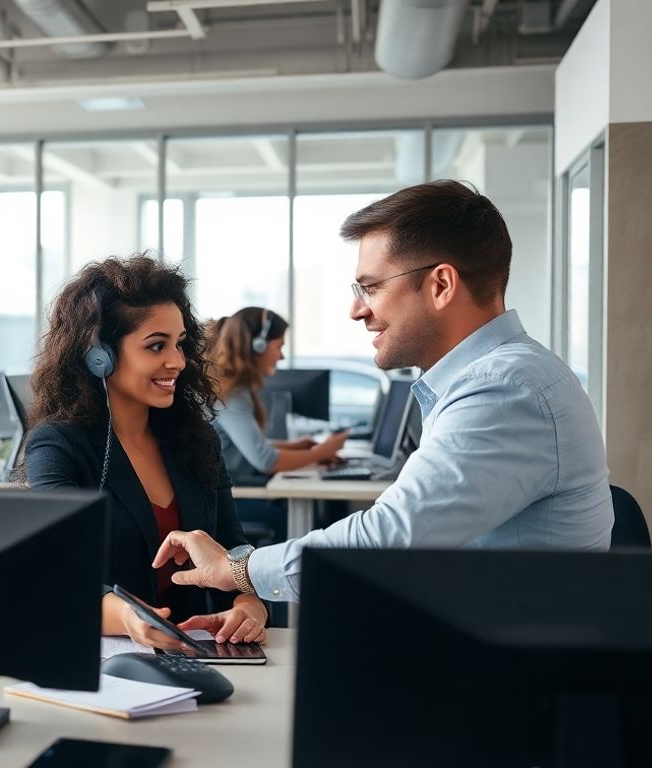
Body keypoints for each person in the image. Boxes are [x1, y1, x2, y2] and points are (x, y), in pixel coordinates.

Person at [152, 180, 614, 604]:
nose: (357, 310)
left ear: (441, 285)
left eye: (370, 287)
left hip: (501, 658)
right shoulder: (499, 378)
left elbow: (391, 537)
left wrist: (237, 570)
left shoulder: (504, 390)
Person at [24, 256, 267, 648]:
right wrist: (126, 616)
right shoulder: (58, 446)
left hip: (198, 650)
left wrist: (249, 604)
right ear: (99, 357)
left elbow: (232, 545)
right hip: (109, 657)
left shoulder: (196, 438)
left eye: (180, 344)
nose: (177, 361)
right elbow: (58, 573)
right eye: (156, 346)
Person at [207, 306, 348, 485]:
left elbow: (249, 446)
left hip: (238, 487)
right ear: (258, 346)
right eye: (279, 346)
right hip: (236, 495)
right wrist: (323, 452)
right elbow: (266, 461)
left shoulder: (232, 388)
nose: (281, 356)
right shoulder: (232, 395)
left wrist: (296, 446)